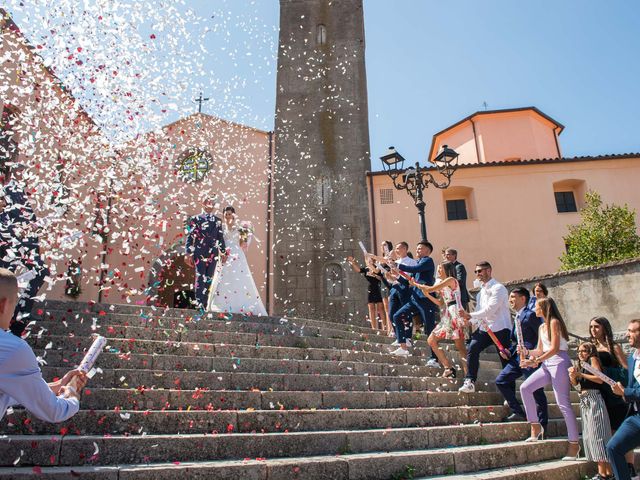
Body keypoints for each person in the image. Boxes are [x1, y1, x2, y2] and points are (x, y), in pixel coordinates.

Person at [0, 268, 87, 422]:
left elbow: (12, 391)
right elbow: (54, 411)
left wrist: (59, 384)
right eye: (14, 305)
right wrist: (72, 393)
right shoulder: (12, 349)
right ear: (3, 305)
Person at [519, 297, 580, 460]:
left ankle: (574, 444)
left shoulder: (554, 322)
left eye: (537, 307)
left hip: (559, 361)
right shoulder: (541, 327)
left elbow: (554, 348)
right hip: (547, 363)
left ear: (544, 308)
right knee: (525, 388)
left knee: (563, 404)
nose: (534, 310)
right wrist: (526, 352)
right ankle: (535, 426)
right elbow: (540, 349)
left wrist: (536, 361)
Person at [0, 180, 49, 335]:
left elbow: (29, 226)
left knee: (40, 271)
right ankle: (16, 317)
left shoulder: (16, 202)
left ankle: (19, 316)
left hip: (12, 255)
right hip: (7, 256)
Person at [589, 316, 636, 476]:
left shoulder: (613, 347)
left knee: (619, 429)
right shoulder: (591, 347)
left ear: (604, 328)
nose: (593, 330)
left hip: (615, 393)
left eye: (596, 327)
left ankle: (629, 466)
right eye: (591, 327)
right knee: (606, 432)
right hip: (601, 394)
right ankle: (607, 469)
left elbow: (626, 370)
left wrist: (607, 373)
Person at [495, 287, 548, 425]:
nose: (510, 300)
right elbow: (517, 341)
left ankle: (542, 424)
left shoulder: (530, 315)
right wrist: (509, 352)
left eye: (513, 297)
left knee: (536, 391)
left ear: (523, 298)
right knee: (501, 380)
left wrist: (535, 356)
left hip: (531, 358)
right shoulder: (517, 317)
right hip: (517, 358)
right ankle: (518, 411)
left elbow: (540, 337)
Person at [458, 261, 512, 393]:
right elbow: (480, 311)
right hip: (485, 329)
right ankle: (470, 381)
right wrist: (471, 322)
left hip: (500, 328)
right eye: (476, 272)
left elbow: (490, 309)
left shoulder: (498, 288)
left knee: (505, 360)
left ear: (489, 271)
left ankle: (509, 394)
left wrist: (469, 315)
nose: (477, 274)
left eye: (480, 271)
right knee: (473, 348)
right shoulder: (481, 292)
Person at [410, 261, 467, 377]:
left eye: (440, 269)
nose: (438, 271)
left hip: (455, 312)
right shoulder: (443, 284)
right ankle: (448, 367)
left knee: (460, 347)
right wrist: (427, 295)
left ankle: (469, 376)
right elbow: (440, 302)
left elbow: (431, 288)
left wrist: (416, 284)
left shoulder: (451, 280)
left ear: (447, 269)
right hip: (447, 314)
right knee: (431, 340)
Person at [206, 206, 267, 316]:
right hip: (224, 256)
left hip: (237, 256)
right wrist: (220, 252)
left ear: (233, 215)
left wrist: (247, 233)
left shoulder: (240, 228)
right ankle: (219, 306)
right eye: (226, 214)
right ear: (223, 216)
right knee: (222, 279)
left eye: (230, 214)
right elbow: (217, 243)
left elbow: (243, 244)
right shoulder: (220, 228)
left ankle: (242, 306)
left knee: (240, 279)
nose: (228, 216)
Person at [568, 342, 613, 480]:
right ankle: (605, 473)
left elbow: (599, 379)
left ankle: (605, 473)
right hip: (585, 400)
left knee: (598, 436)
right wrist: (573, 376)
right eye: (579, 351)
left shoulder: (592, 360)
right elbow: (577, 386)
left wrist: (581, 373)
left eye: (584, 351)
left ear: (590, 351)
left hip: (594, 399)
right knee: (591, 436)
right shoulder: (580, 365)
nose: (581, 353)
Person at [606, 318, 640, 480]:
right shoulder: (632, 358)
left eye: (633, 331)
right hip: (636, 416)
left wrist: (625, 391)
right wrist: (623, 392)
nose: (628, 334)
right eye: (628, 330)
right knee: (614, 447)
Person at [394, 241, 438, 359]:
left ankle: (434, 358)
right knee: (397, 316)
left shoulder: (428, 261)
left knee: (429, 329)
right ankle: (403, 347)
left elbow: (415, 268)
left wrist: (397, 265)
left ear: (427, 251)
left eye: (420, 248)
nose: (417, 250)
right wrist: (396, 276)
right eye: (417, 248)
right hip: (415, 298)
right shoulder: (419, 262)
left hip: (426, 299)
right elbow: (410, 282)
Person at [184, 197, 226, 309]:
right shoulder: (195, 219)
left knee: (209, 277)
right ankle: (199, 302)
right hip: (199, 252)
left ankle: (205, 303)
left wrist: (223, 252)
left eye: (212, 202)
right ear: (202, 204)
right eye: (207, 202)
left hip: (213, 253)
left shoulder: (218, 221)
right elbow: (190, 237)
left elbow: (220, 237)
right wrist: (188, 253)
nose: (210, 204)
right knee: (200, 276)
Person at [347, 254, 385, 331]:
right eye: (368, 259)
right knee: (371, 308)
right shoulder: (366, 268)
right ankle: (373, 328)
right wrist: (354, 263)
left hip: (378, 288)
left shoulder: (377, 267)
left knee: (380, 308)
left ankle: (384, 327)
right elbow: (359, 270)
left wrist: (376, 276)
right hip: (370, 289)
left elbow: (381, 276)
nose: (369, 260)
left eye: (370, 259)